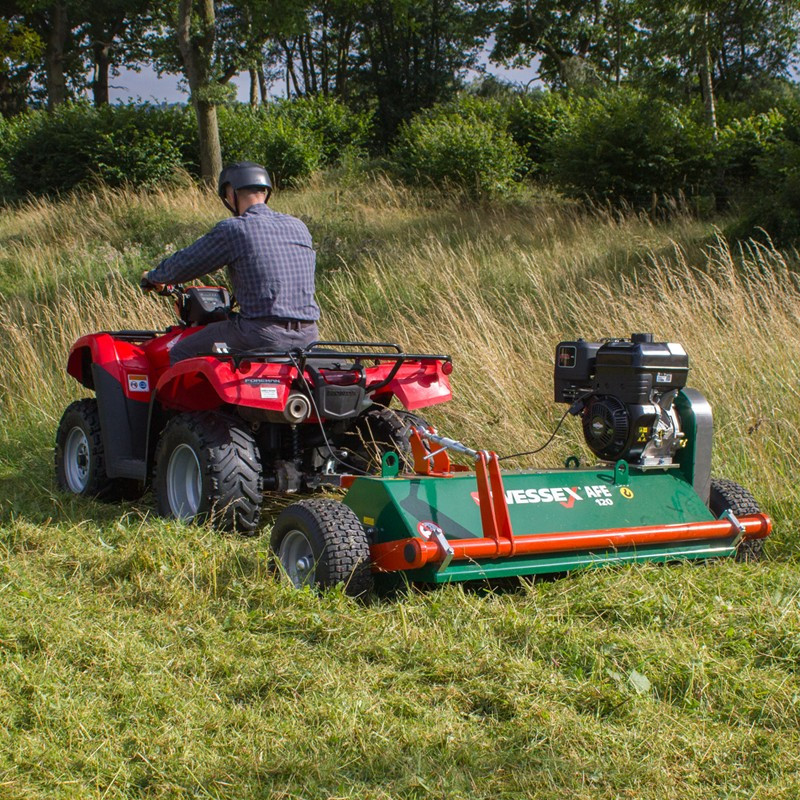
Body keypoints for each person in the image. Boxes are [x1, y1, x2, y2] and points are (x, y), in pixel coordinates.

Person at [141, 161, 320, 364]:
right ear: (266, 191)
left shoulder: (235, 229)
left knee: (181, 351)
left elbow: (187, 263)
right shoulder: (299, 227)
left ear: (231, 194)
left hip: (261, 334)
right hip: (308, 336)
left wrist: (154, 277)